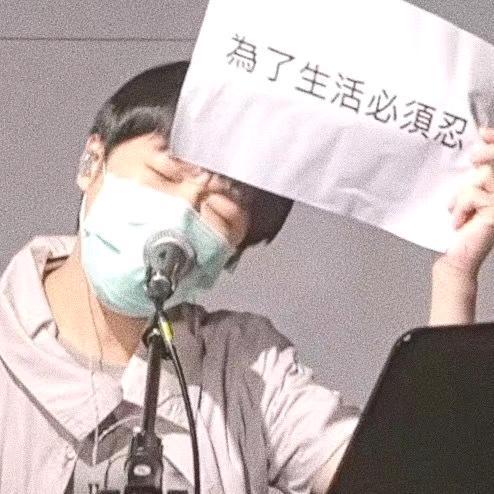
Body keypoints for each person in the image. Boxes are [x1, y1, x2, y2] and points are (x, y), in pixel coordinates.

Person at [0, 60, 493, 494]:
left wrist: (457, 278)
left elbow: (417, 481)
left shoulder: (248, 366)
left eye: (220, 207)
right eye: (166, 174)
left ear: (231, 255)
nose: (180, 216)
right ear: (93, 161)